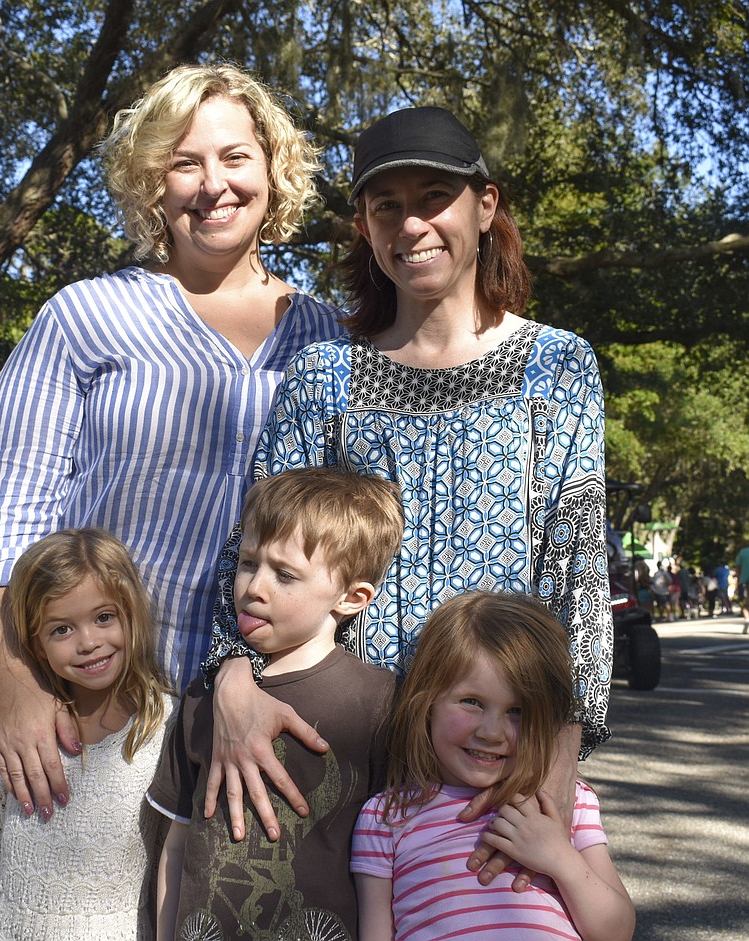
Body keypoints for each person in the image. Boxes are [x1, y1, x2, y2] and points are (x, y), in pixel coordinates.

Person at [203, 107, 612, 876]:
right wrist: (231, 677)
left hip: (495, 760)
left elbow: (577, 574)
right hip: (340, 748)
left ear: (484, 206)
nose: (412, 224)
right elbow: (256, 546)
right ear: (364, 225)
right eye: (387, 206)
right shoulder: (324, 375)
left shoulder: (557, 365)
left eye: (433, 198)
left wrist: (559, 762)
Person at [0, 63, 344, 820]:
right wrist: (14, 688)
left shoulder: (331, 339)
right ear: (151, 182)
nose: (213, 183)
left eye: (235, 156)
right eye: (184, 162)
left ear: (272, 169)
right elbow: (10, 515)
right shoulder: (84, 317)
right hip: (96, 714)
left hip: (264, 721)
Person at [148, 468, 404, 940]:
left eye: (285, 575)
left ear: (352, 597)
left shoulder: (382, 704)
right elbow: (177, 845)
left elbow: (389, 863)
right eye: (248, 563)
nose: (254, 587)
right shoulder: (204, 698)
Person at [350, 591, 635, 941]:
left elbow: (617, 932)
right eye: (471, 702)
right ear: (426, 702)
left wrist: (561, 858)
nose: (491, 733)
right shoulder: (385, 817)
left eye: (517, 711)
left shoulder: (567, 803)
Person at [0, 529, 175, 940]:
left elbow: (172, 860)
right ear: (36, 644)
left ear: (131, 613)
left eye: (104, 618)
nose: (88, 643)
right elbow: (2, 852)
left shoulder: (165, 726)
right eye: (62, 629)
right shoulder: (29, 727)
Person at [736, 545, 749, 633]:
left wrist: (738, 580)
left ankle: (747, 619)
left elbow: (738, 567)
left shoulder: (742, 552)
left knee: (745, 602)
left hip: (744, 580)